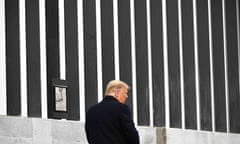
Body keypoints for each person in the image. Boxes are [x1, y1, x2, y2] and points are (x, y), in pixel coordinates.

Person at [85, 80, 140, 144]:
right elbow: (131, 133)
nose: (126, 96)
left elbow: (89, 134)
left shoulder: (91, 111)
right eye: (125, 93)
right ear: (116, 93)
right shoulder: (122, 108)